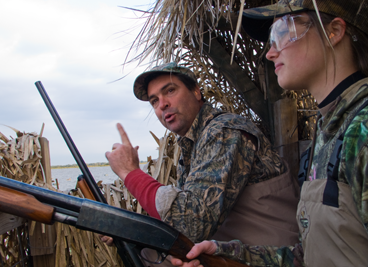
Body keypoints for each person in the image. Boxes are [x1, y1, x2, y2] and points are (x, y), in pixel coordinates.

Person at [170, 0, 368, 266]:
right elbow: (309, 257)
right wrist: (224, 255)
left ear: (334, 31)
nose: (270, 52)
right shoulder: (329, 130)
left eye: (282, 30)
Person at [103, 62, 300, 265]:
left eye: (170, 91)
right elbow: (179, 223)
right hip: (233, 251)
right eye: (154, 101)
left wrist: (131, 173)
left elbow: (192, 223)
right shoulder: (191, 145)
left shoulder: (223, 131)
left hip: (275, 256)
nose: (162, 104)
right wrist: (130, 227)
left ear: (196, 92)